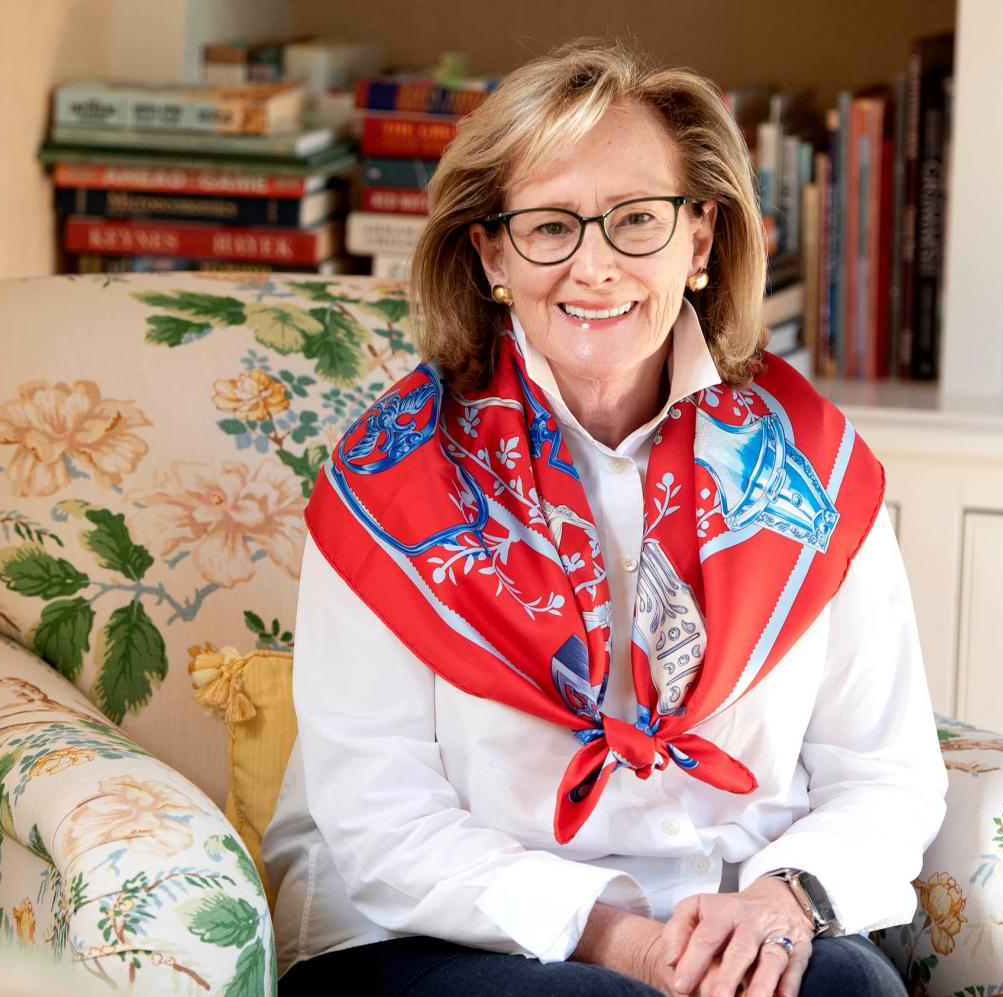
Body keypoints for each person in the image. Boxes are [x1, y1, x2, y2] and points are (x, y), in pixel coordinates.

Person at [264, 39, 947, 997]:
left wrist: (781, 906)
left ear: (700, 239)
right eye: (550, 227)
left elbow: (885, 771)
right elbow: (382, 820)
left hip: (733, 906)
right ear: (492, 250)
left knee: (847, 991)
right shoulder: (394, 486)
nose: (595, 267)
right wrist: (621, 940)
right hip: (442, 925)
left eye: (636, 220)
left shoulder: (812, 471)